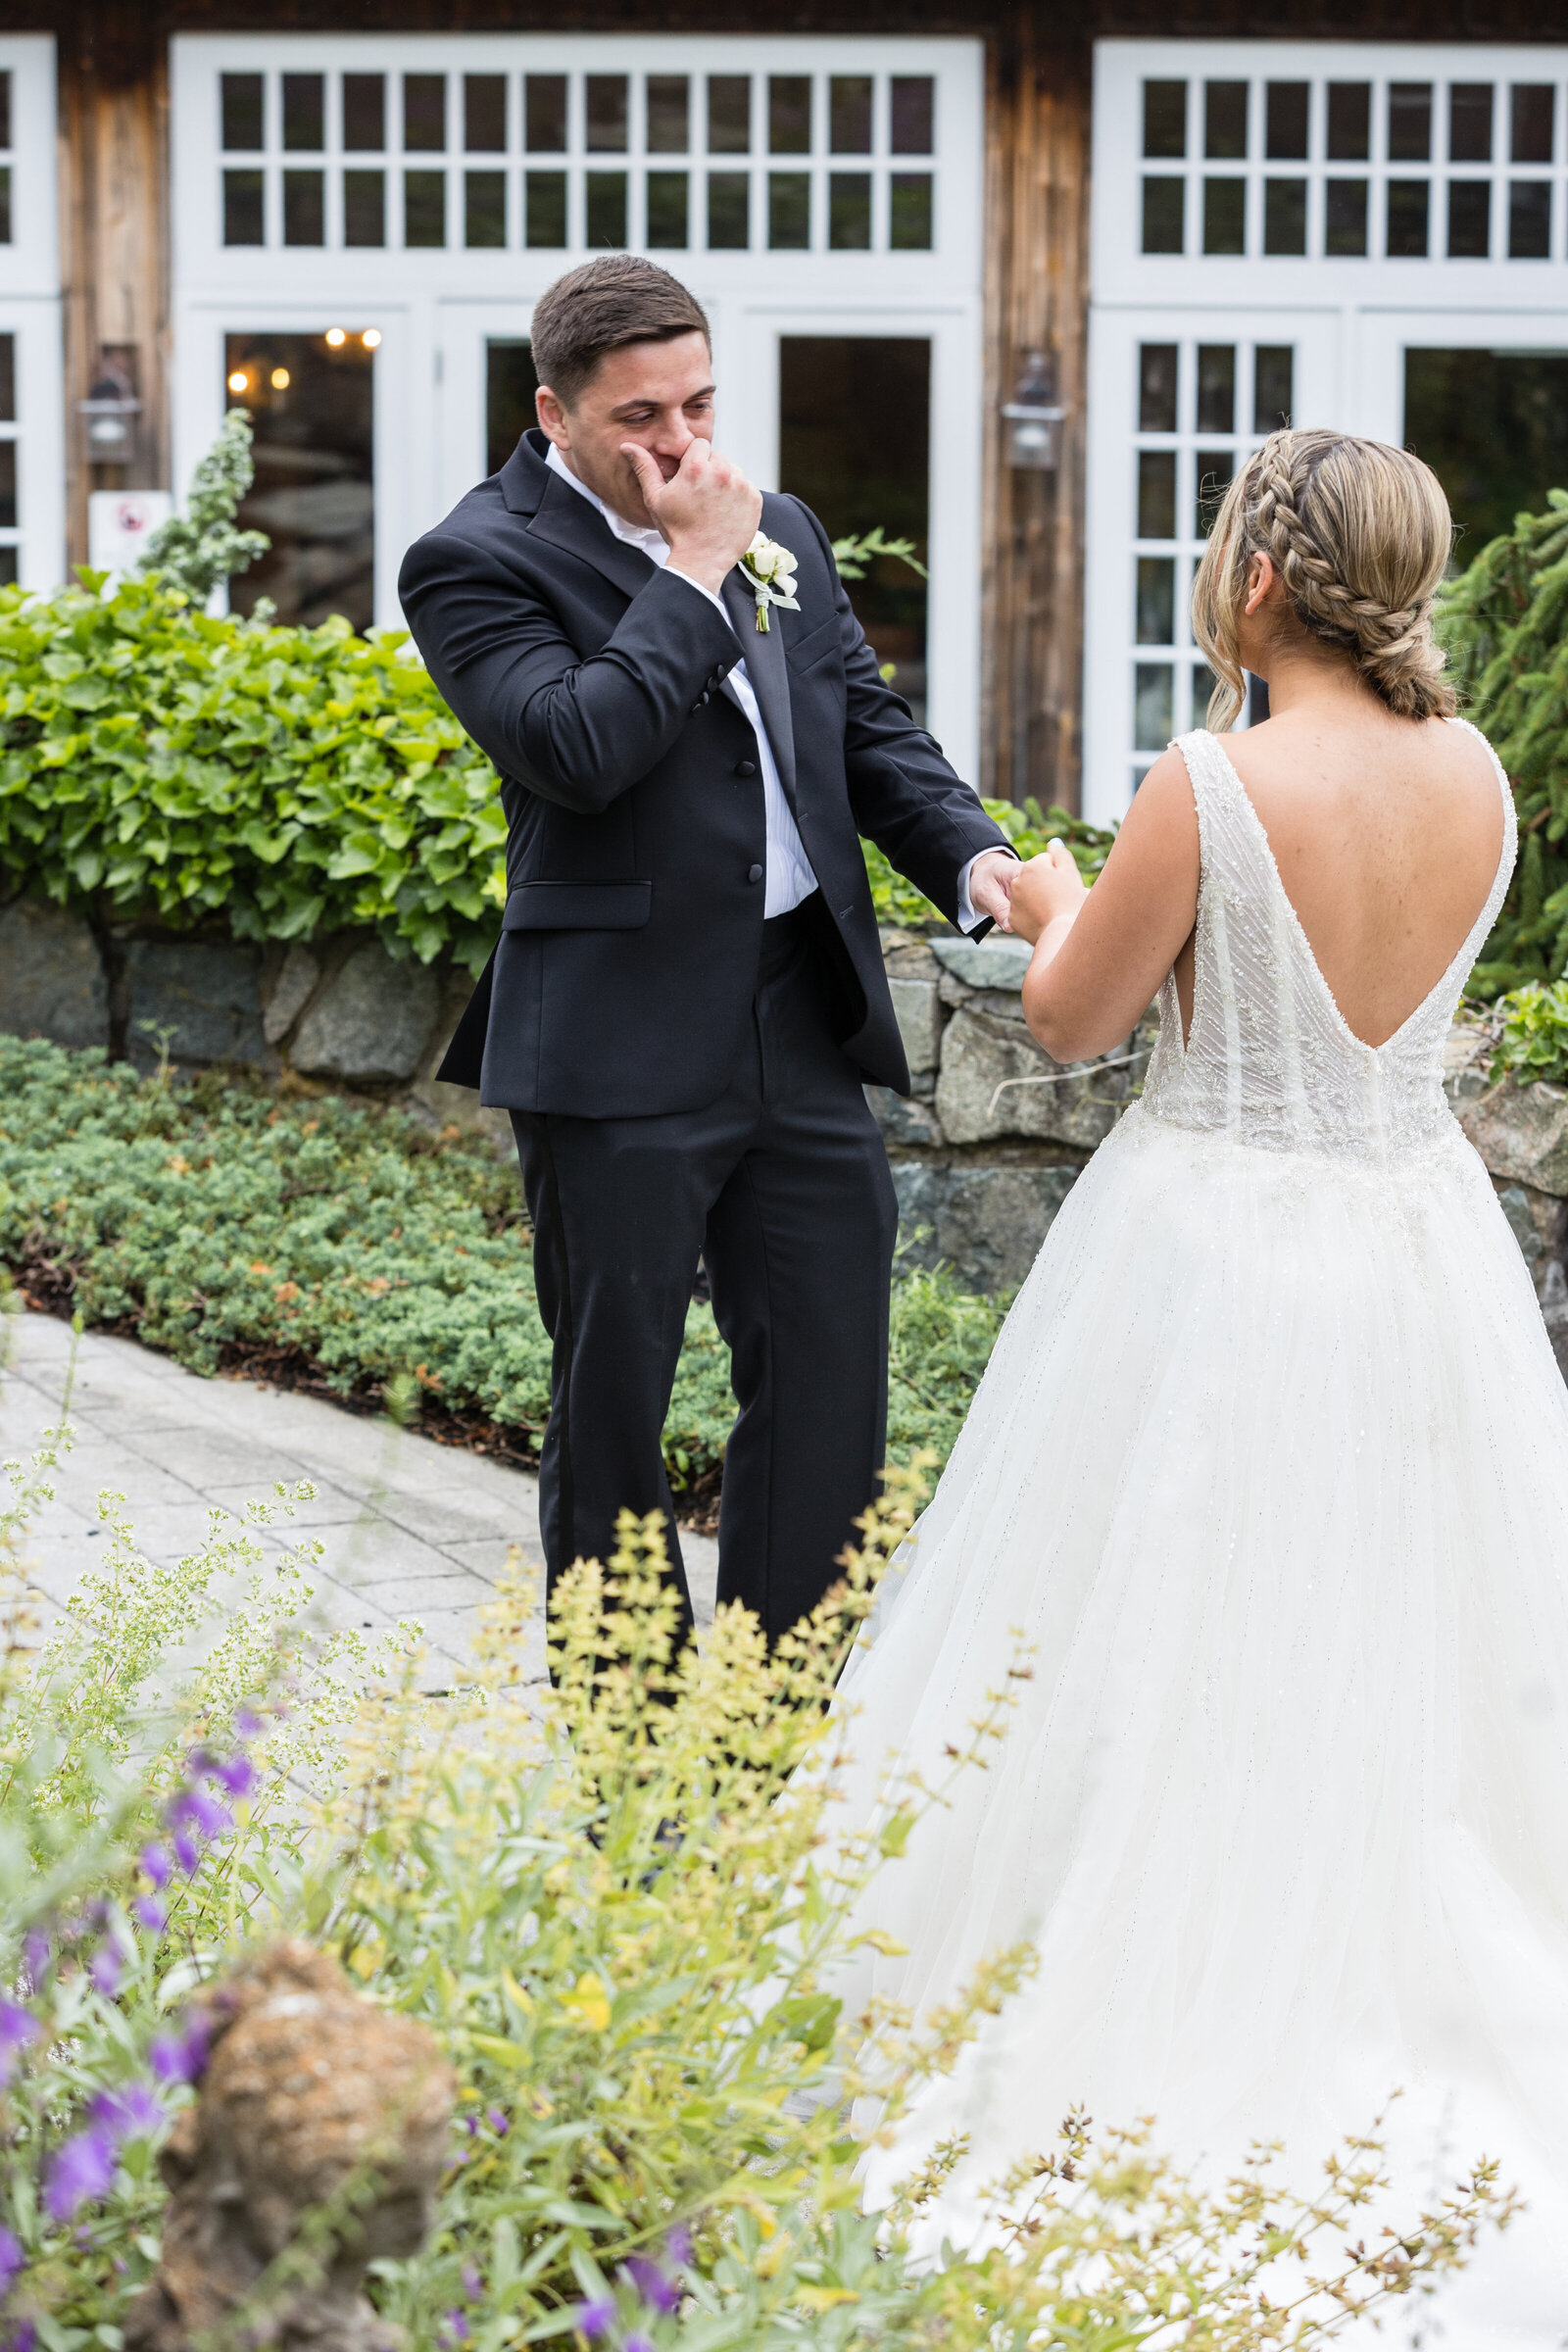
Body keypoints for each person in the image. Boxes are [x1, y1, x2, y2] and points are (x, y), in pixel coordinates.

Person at [827, 429, 1568, 2341]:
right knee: (1399, 1652)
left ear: (1255, 579)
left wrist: (1053, 899)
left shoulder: (1213, 779)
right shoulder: (1477, 777)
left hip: (1214, 1258)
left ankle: (1137, 2018)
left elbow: (1072, 1027)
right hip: (1416, 1256)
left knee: (1154, 1639)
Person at [397, 256, 1016, 1640]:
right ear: (553, 412)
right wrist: (693, 568)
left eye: (699, 405)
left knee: (827, 1398)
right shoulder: (472, 558)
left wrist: (980, 863)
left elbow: (861, 726)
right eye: (642, 419)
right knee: (610, 1415)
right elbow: (577, 748)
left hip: (800, 1016)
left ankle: (764, 1747)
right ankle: (634, 1783)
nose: (683, 444)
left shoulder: (773, 520)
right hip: (614, 1040)